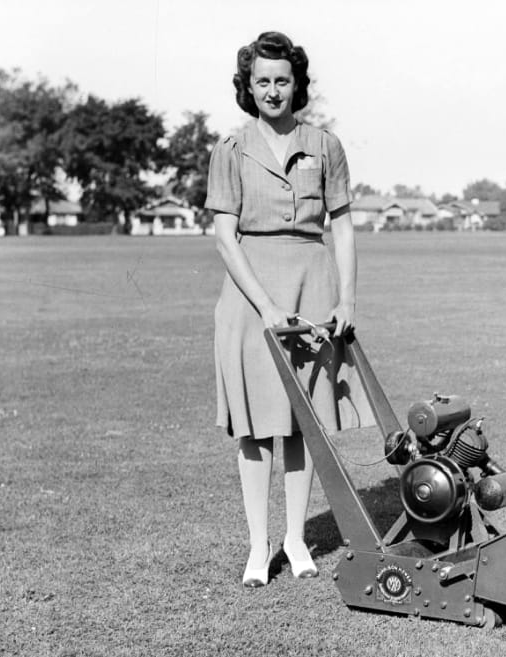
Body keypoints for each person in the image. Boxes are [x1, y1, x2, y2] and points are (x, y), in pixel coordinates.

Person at [206, 31, 361, 588]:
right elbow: (226, 237)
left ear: (298, 84)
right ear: (248, 88)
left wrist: (346, 296)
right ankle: (258, 545)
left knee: (301, 425)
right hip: (251, 298)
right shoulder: (229, 149)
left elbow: (341, 226)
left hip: (313, 289)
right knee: (253, 427)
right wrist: (268, 307)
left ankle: (296, 538)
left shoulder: (325, 146)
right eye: (262, 81)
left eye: (282, 80)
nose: (273, 91)